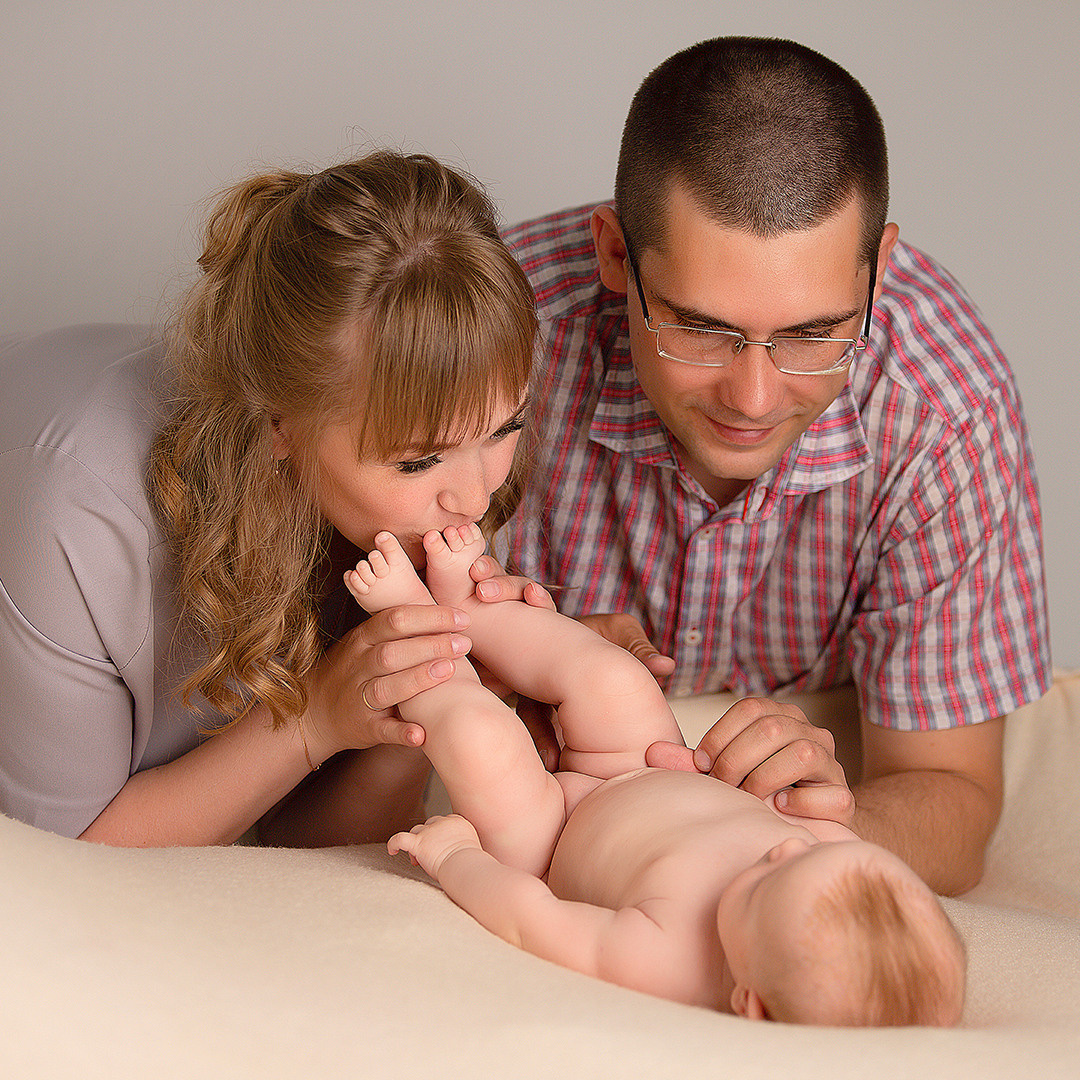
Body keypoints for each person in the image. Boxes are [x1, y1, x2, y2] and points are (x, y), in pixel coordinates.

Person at [494, 37, 1051, 896]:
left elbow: (953, 800)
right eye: (700, 328)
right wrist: (501, 668)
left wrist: (824, 820)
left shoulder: (946, 411)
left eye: (812, 335)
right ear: (614, 255)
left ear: (879, 272)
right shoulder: (497, 343)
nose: (753, 399)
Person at [0, 150, 540, 847]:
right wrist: (313, 718)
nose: (473, 498)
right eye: (417, 461)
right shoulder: (76, 516)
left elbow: (312, 843)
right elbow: (67, 859)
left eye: (506, 429)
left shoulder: (428, 480)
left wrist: (434, 696)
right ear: (279, 422)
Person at [354, 526, 965, 1025]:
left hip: (550, 836)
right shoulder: (820, 857)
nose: (784, 848)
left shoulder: (666, 961)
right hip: (642, 762)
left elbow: (530, 918)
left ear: (748, 1003)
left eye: (765, 883)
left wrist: (455, 857)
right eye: (812, 852)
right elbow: (811, 814)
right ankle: (470, 611)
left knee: (480, 739)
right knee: (615, 678)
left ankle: (417, 629)